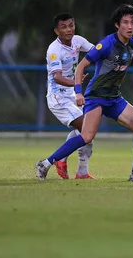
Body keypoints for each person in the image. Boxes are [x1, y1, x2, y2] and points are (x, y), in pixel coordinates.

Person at [36, 4, 133, 182]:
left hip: (114, 98)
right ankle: (46, 163)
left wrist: (117, 78)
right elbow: (81, 67)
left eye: (132, 22)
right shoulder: (106, 44)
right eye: (125, 22)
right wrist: (79, 92)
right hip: (95, 97)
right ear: (117, 25)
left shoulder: (132, 45)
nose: (130, 26)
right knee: (87, 136)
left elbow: (119, 66)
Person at [44, 12, 96, 180]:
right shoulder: (54, 50)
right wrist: (77, 82)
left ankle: (79, 170)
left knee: (86, 130)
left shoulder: (78, 41)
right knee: (86, 128)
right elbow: (57, 77)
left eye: (71, 25)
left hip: (73, 93)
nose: (69, 30)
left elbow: (97, 52)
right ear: (56, 31)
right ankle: (67, 163)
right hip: (58, 97)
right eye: (63, 27)